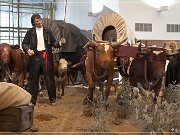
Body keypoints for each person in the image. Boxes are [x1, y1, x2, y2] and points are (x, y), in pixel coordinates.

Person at [22, 13, 64, 106]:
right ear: (33, 23)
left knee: (49, 78)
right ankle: (32, 100)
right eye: (37, 21)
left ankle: (52, 99)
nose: (39, 22)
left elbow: (54, 43)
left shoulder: (47, 31)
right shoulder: (30, 32)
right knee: (34, 79)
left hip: (46, 57)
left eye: (40, 19)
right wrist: (28, 50)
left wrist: (60, 43)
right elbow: (24, 43)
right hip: (35, 57)